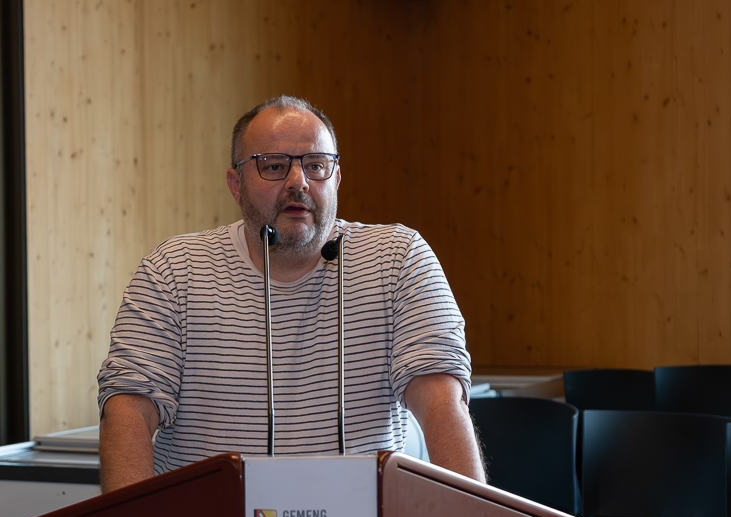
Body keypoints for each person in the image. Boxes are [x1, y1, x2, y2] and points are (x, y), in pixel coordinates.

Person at [97, 96, 485, 492]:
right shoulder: (173, 270)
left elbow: (441, 403)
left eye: (315, 165)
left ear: (336, 180)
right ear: (236, 185)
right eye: (274, 166)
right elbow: (128, 410)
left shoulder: (398, 260)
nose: (298, 181)